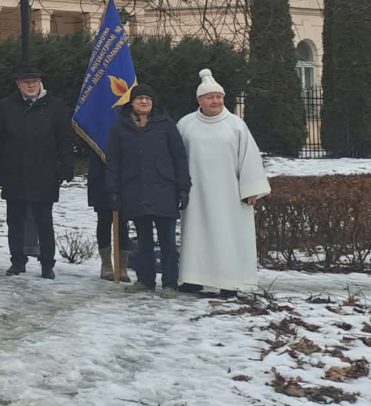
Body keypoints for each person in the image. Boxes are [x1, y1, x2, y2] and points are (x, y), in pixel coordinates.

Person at [177, 69, 271, 297]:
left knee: (228, 237)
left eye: (219, 97)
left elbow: (249, 158)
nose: (216, 101)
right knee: (195, 236)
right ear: (200, 100)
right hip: (196, 194)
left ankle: (230, 282)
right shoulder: (185, 125)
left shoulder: (236, 125)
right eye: (210, 97)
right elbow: (176, 158)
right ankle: (193, 278)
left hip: (230, 195)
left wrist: (251, 190)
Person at [0, 64, 74, 279]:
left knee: (44, 221)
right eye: (26, 82)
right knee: (15, 221)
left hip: (45, 174)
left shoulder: (55, 106)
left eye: (35, 81)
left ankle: (47, 264)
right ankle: (17, 261)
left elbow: (66, 139)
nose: (31, 85)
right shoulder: (5, 106)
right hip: (14, 173)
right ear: (18, 84)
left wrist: (66, 166)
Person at [105, 85, 190, 298]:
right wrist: (113, 192)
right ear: (132, 102)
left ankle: (170, 283)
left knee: (168, 241)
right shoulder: (119, 127)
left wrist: (183, 187)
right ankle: (145, 280)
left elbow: (179, 157)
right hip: (135, 190)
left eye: (148, 99)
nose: (144, 102)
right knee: (143, 241)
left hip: (164, 190)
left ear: (153, 103)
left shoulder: (166, 125)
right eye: (139, 99)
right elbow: (114, 162)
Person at [87, 155, 132, 281]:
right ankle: (106, 264)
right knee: (104, 220)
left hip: (124, 173)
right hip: (100, 173)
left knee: (123, 222)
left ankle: (122, 266)